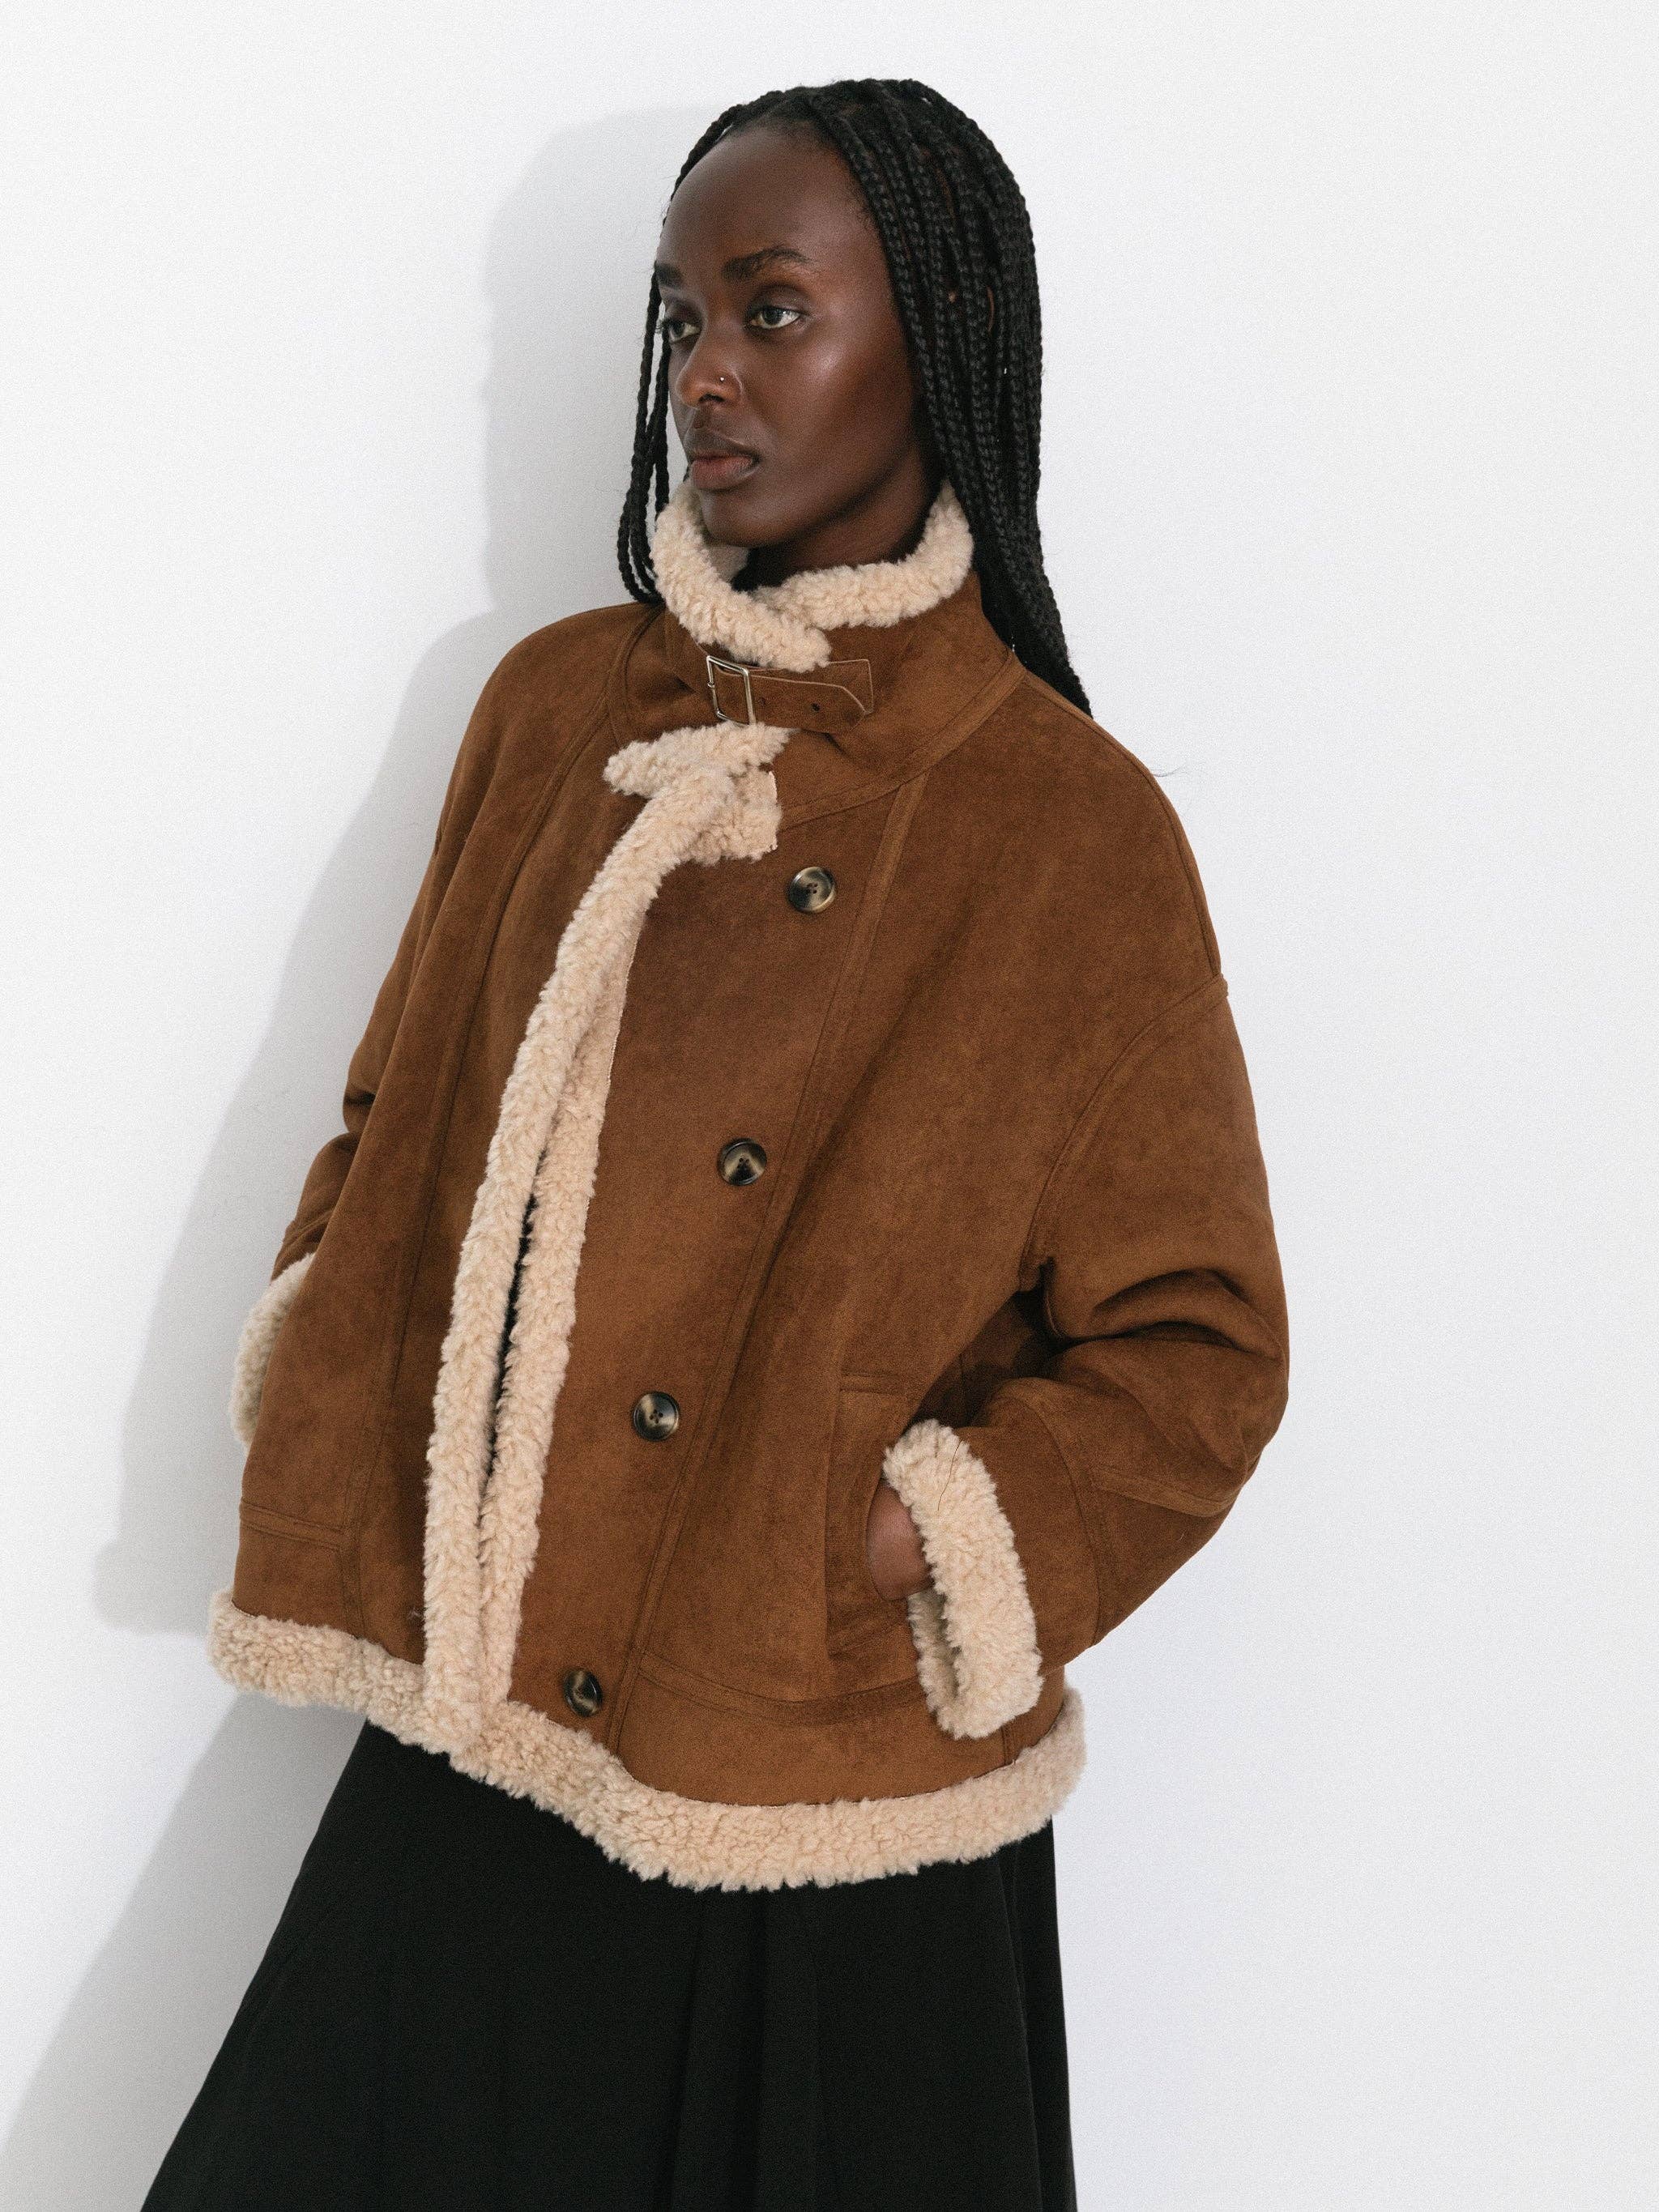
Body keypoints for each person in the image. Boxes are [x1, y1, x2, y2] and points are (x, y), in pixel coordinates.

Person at [143, 75, 1290, 2212]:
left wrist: (896, 1543)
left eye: (775, 310)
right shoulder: (555, 710)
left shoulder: (1069, 827)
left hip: (822, 1799)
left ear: (936, 331)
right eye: (684, 321)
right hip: (481, 1734)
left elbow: (1200, 1349)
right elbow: (392, 1110)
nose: (707, 377)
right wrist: (334, 1327)